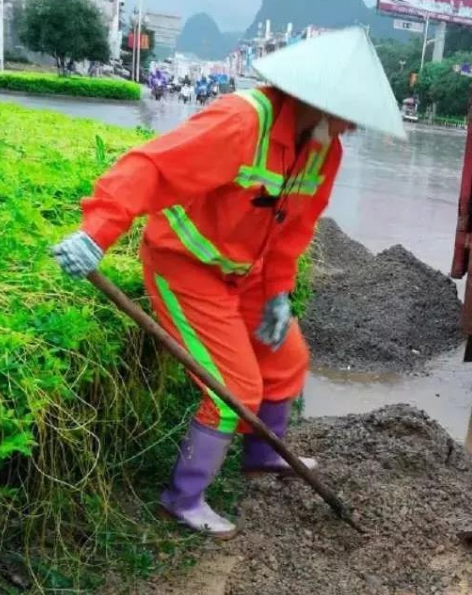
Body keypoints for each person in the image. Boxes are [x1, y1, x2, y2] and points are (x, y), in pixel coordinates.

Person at [51, 28, 406, 539]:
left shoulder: (324, 152)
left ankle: (263, 456)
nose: (352, 127)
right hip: (186, 266)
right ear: (319, 100)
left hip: (249, 273)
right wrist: (97, 231)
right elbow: (151, 167)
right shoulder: (242, 122)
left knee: (286, 358)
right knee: (232, 389)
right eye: (349, 113)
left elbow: (294, 228)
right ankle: (183, 497)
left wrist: (279, 293)